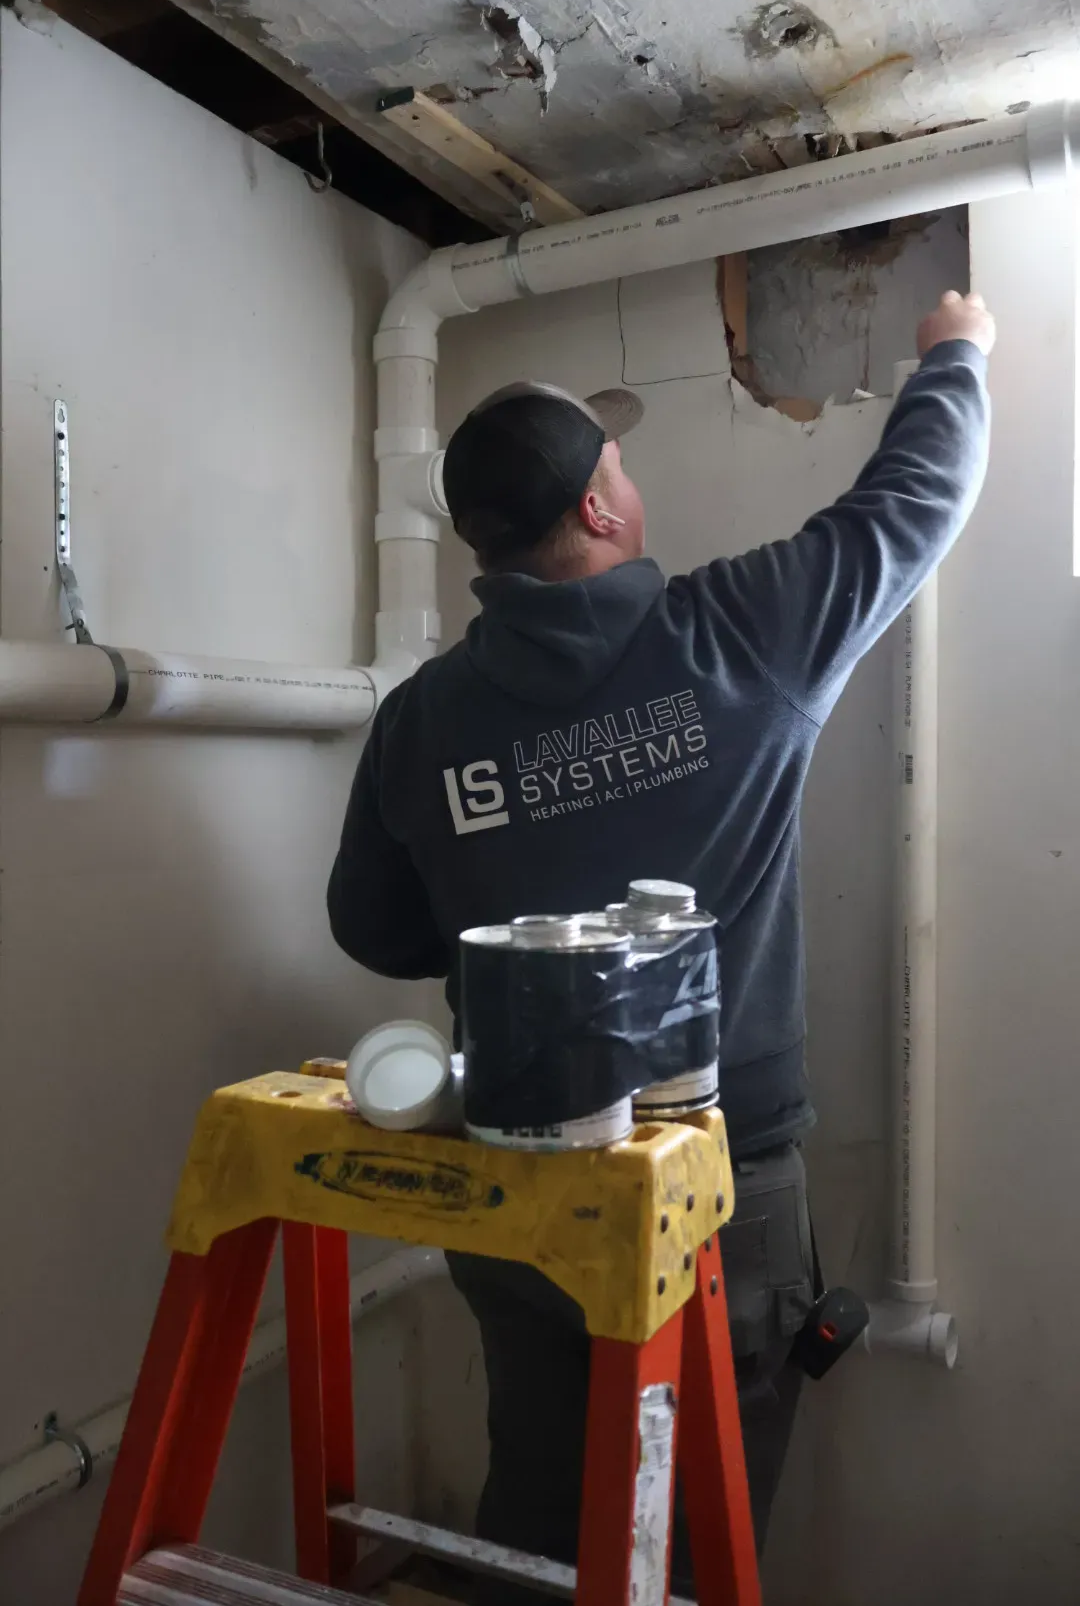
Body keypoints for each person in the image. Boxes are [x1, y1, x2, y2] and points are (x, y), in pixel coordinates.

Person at [328, 290, 994, 1598]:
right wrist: (957, 354)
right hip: (712, 1186)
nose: (632, 478)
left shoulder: (422, 718)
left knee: (538, 1501)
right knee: (699, 1521)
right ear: (595, 511)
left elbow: (374, 925)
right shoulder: (737, 631)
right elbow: (914, 504)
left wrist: (507, 857)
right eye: (618, 462)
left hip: (515, 1184)